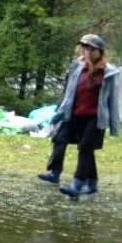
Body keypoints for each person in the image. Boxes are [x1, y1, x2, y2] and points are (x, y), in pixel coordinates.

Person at [43, 34, 120, 199]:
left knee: (85, 148)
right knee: (70, 142)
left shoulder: (109, 72)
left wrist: (114, 126)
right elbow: (69, 93)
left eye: (91, 49)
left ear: (100, 52)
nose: (87, 52)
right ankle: (92, 184)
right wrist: (59, 113)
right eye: (84, 48)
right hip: (74, 114)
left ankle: (76, 185)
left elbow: (113, 100)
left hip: (95, 117)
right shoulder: (77, 67)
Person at [38, 40, 86, 185]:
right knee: (59, 138)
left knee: (85, 145)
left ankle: (83, 177)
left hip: (85, 111)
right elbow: (68, 88)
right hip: (69, 109)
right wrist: (61, 107)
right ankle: (54, 172)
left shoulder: (96, 68)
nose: (84, 50)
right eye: (82, 47)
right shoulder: (75, 64)